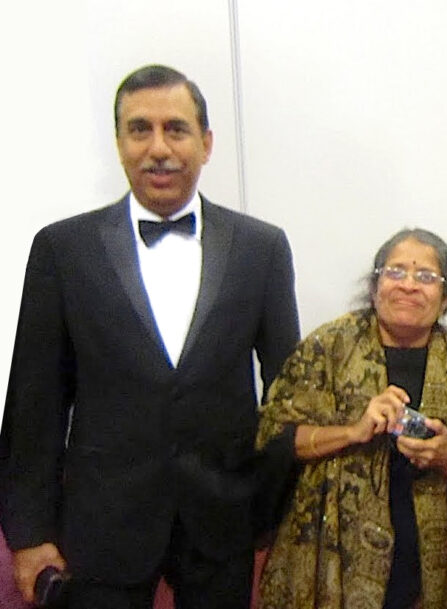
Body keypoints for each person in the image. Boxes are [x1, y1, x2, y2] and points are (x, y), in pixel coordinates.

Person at [0, 64, 300, 608]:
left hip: (224, 521)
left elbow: (288, 394)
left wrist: (276, 512)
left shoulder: (263, 248)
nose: (158, 147)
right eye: (140, 129)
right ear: (119, 143)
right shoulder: (62, 250)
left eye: (176, 129)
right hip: (100, 525)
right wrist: (29, 534)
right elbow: (34, 403)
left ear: (206, 143)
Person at [256, 228, 447, 609]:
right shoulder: (327, 349)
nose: (408, 285)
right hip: (331, 559)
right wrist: (353, 432)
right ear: (374, 288)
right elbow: (275, 438)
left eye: (426, 277)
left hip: (433, 569)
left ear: (446, 298)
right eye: (395, 272)